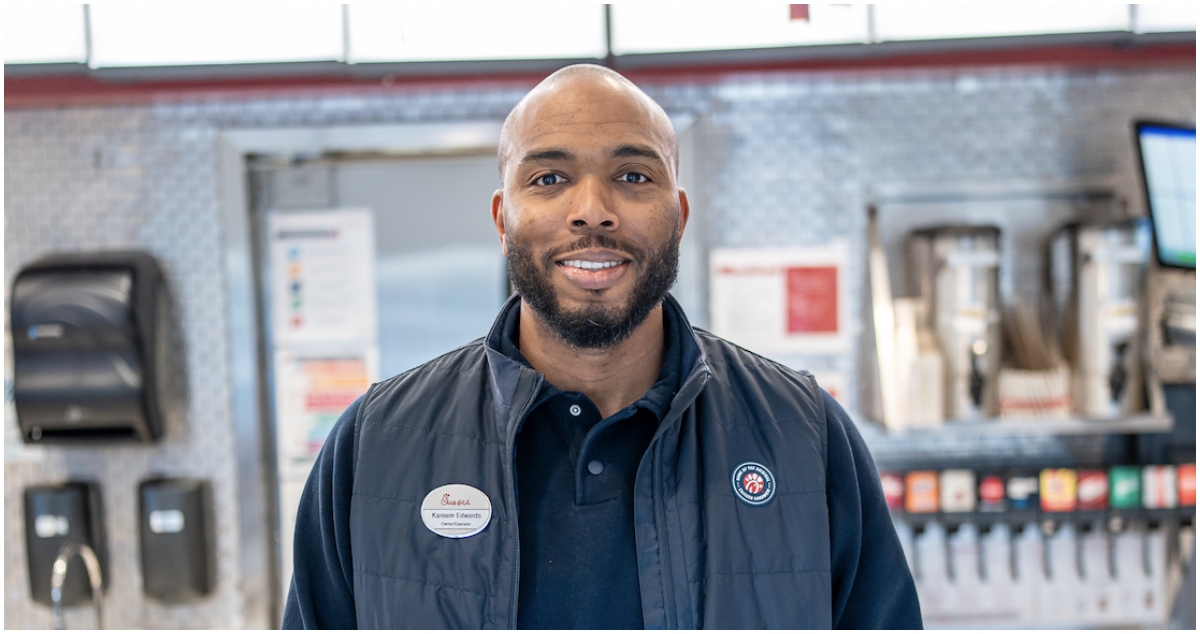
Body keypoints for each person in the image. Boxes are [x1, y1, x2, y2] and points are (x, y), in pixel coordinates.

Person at [282, 63, 921, 629]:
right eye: (549, 178)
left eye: (633, 175)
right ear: (503, 220)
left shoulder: (804, 435)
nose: (592, 210)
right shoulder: (375, 444)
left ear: (679, 215)